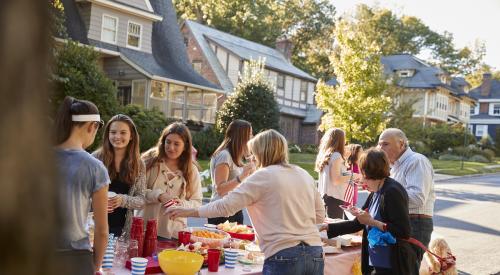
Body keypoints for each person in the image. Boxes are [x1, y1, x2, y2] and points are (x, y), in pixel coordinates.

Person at [166, 129, 325, 275]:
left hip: (283, 255)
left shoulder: (263, 175)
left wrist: (188, 212)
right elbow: (319, 216)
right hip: (315, 253)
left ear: (260, 153)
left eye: (253, 154)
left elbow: (225, 206)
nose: (252, 158)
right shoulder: (304, 174)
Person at [322, 148, 416, 274]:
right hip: (377, 261)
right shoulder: (377, 191)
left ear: (368, 171)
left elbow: (403, 231)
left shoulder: (392, 191)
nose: (362, 180)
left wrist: (372, 222)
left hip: (392, 264)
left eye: (363, 174)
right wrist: (325, 227)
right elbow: (357, 224)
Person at [53, 96, 109, 274]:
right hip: (76, 258)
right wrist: (96, 266)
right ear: (92, 126)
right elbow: (101, 230)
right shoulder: (95, 168)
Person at [377, 128, 435, 274]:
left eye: (385, 144)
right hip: (403, 223)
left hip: (415, 223)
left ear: (401, 144)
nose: (380, 148)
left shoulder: (416, 161)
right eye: (379, 144)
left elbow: (417, 198)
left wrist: (388, 194)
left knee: (406, 270)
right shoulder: (396, 166)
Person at [138, 122, 202, 239]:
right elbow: (137, 192)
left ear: (185, 146)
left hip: (174, 233)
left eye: (176, 144)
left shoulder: (191, 170)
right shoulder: (149, 162)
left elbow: (197, 202)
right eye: (168, 142)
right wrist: (158, 195)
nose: (171, 147)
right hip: (144, 230)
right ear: (163, 142)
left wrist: (181, 204)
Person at [92, 114, 146, 237]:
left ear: (131, 135)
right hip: (94, 226)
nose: (117, 136)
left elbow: (141, 200)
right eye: (113, 132)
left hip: (122, 230)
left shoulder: (139, 164)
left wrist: (122, 200)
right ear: (108, 135)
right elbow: (82, 195)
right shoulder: (94, 159)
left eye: (123, 133)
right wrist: (97, 202)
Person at [207, 119, 255, 225]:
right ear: (241, 136)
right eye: (250, 134)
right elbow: (220, 189)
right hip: (221, 212)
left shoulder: (237, 157)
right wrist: (242, 176)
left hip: (234, 209)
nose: (252, 137)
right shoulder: (225, 155)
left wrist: (249, 158)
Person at [315, 128, 361, 219]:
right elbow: (336, 180)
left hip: (325, 197)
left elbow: (336, 174)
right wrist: (353, 175)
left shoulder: (326, 155)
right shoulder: (336, 155)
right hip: (334, 198)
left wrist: (348, 171)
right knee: (334, 229)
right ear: (340, 140)